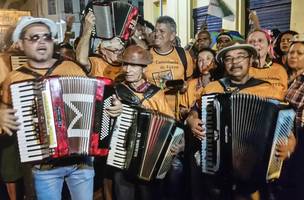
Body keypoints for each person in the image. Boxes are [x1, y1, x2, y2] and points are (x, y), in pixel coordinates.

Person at [0, 16, 122, 200]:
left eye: (46, 37)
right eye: (34, 38)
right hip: (43, 165)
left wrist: (114, 108)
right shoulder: (14, 78)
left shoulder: (71, 68)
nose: (41, 42)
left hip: (81, 163)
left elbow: (98, 102)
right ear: (21, 44)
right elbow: (5, 108)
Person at [186, 40, 296, 200]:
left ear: (250, 59)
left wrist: (290, 145)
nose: (234, 62)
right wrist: (192, 119)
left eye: (240, 56)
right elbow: (194, 110)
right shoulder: (212, 88)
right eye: (229, 58)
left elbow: (287, 126)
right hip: (217, 164)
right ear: (224, 63)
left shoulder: (269, 90)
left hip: (255, 166)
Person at [112, 44, 176, 200]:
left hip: (149, 157)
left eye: (133, 65)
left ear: (144, 69)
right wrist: (117, 115)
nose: (127, 69)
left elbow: (171, 124)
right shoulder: (115, 91)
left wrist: (177, 143)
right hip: (121, 155)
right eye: (125, 64)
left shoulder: (155, 93)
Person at [144, 16, 194, 119]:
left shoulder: (184, 55)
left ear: (172, 36)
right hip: (152, 115)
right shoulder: (145, 55)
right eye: (155, 30)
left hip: (178, 116)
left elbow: (190, 81)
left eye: (162, 31)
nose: (157, 34)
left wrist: (186, 87)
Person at [284, 34, 304, 200]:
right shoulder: (283, 77)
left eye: (299, 53)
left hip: (298, 140)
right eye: (291, 52)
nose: (294, 56)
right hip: (280, 135)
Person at [247, 29, 288, 100]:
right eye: (251, 41)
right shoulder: (240, 69)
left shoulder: (280, 70)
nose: (255, 43)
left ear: (269, 46)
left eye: (260, 40)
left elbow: (284, 95)